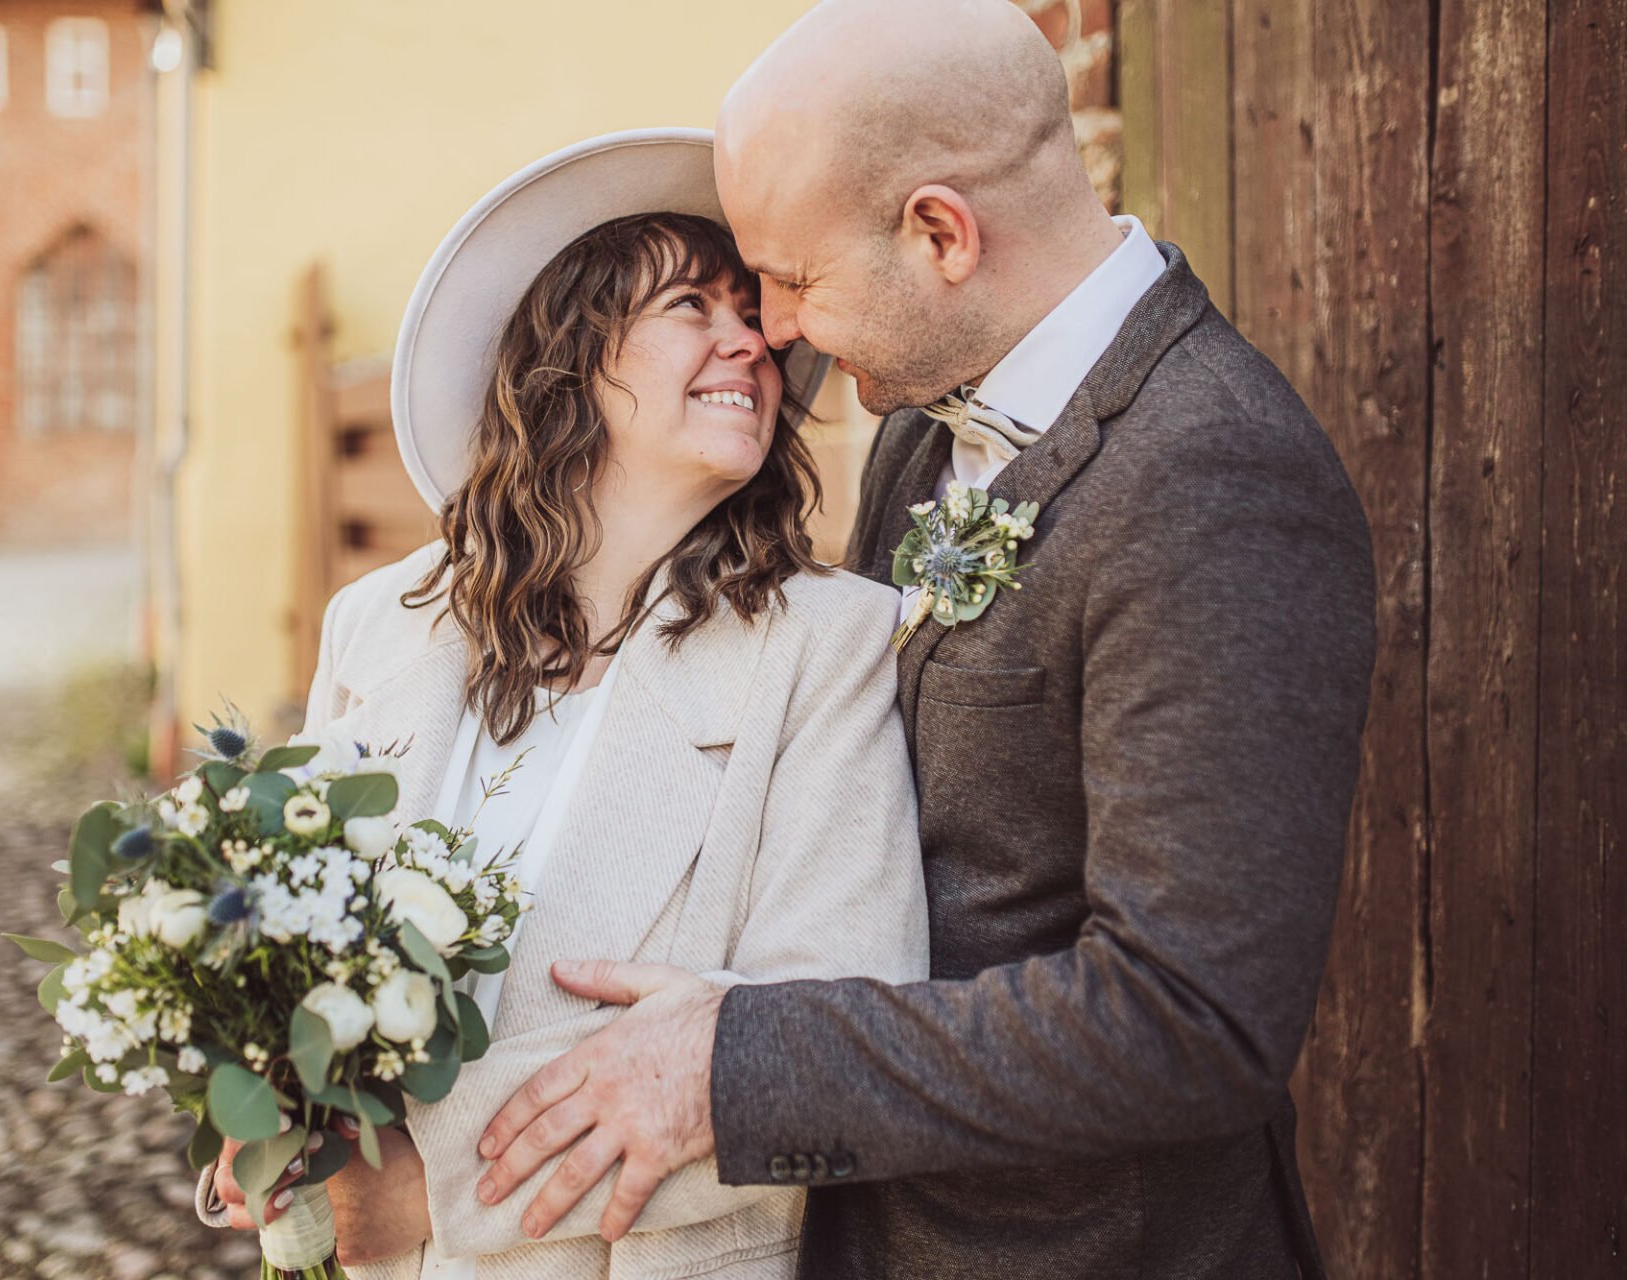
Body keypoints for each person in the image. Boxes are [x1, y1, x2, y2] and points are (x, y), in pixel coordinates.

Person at [467, 4, 1377, 1278]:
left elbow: (1192, 1020)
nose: (773, 325)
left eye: (791, 274)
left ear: (941, 232)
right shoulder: (922, 417)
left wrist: (734, 1064)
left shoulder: (1213, 478)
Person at [201, 130, 929, 1280]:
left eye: (757, 314)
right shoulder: (379, 625)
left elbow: (836, 1036)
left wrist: (416, 1183)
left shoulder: (824, 646)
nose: (757, 340)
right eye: (696, 304)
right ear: (573, 356)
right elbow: (287, 955)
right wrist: (265, 1114)